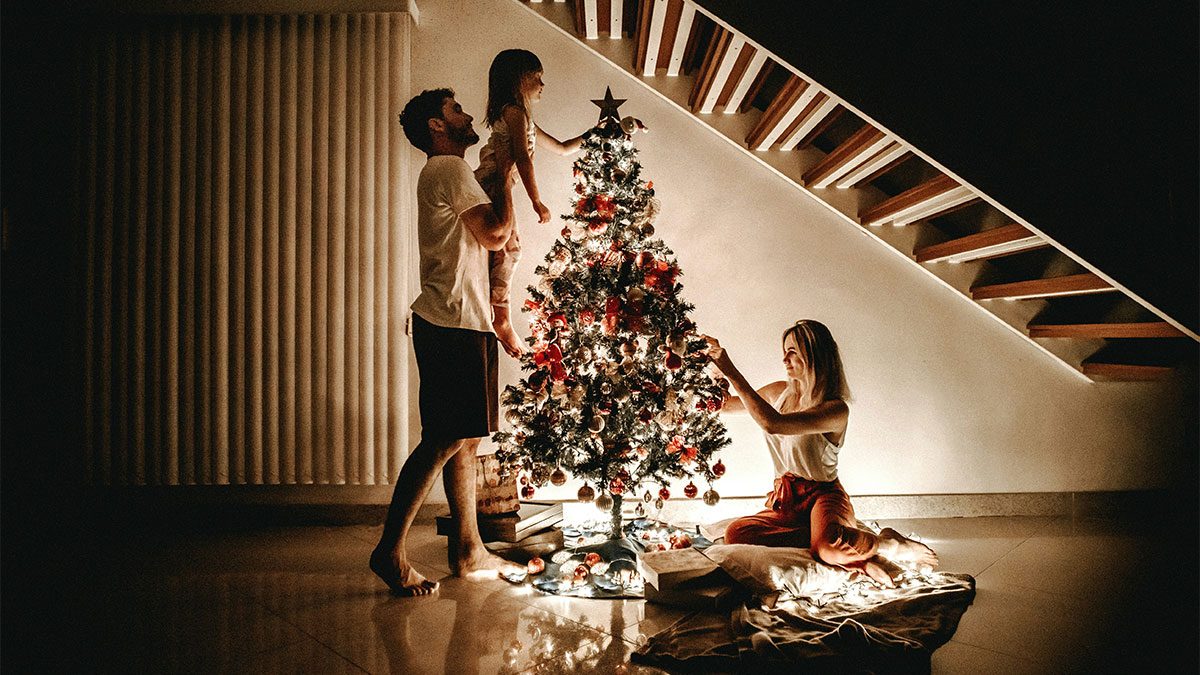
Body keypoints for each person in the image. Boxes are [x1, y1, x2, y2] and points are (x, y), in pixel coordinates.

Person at [371, 88, 524, 596]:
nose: (463, 116)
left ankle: (468, 548)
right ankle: (390, 551)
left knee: (464, 436)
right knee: (442, 436)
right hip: (451, 320)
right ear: (437, 126)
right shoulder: (447, 169)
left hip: (466, 319)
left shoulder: (448, 175)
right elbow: (497, 233)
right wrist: (505, 172)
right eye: (454, 110)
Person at [704, 320, 938, 588]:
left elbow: (773, 423)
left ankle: (887, 543)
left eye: (792, 351)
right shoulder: (778, 392)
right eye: (784, 350)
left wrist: (731, 369)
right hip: (787, 498)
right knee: (736, 533)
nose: (784, 358)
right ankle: (854, 548)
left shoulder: (835, 410)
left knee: (827, 548)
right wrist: (714, 367)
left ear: (813, 355)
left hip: (823, 496)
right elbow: (722, 407)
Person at [475, 48, 583, 358]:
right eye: (537, 78)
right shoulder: (514, 112)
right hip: (490, 186)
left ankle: (499, 315)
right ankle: (501, 319)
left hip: (497, 188)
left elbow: (562, 148)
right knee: (509, 250)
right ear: (519, 81)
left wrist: (595, 133)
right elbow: (522, 158)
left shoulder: (523, 118)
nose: (542, 86)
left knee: (505, 252)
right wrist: (537, 201)